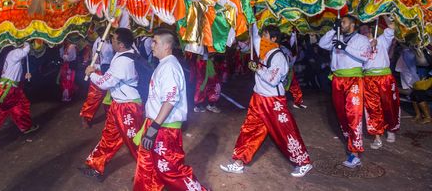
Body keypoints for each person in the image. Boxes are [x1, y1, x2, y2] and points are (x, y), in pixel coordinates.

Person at [220, 24, 312, 177]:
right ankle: (239, 162)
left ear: (274, 39)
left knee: (286, 132)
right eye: (262, 35)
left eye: (266, 35)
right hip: (258, 98)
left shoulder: (279, 56)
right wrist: (252, 21)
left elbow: (273, 79)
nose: (262, 38)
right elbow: (254, 37)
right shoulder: (266, 52)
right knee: (249, 130)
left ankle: (304, 162)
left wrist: (257, 68)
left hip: (273, 101)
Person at [133, 28, 206, 191]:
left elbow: (170, 100)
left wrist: (153, 128)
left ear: (167, 46)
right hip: (156, 124)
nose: (152, 45)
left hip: (163, 128)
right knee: (147, 164)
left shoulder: (169, 67)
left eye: (155, 42)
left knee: (170, 169)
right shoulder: (164, 64)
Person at [79, 28, 144, 180]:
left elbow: (104, 82)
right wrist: (98, 68)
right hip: (119, 105)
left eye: (113, 39)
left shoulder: (123, 61)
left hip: (128, 107)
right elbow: (111, 72)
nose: (110, 41)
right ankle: (96, 166)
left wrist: (91, 73)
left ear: (121, 44)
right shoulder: (123, 55)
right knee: (108, 137)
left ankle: (151, 173)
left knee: (135, 143)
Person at [319, 15, 370, 168]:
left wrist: (345, 47)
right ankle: (351, 141)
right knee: (341, 115)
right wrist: (333, 30)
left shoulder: (361, 39)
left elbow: (365, 57)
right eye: (340, 22)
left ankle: (355, 154)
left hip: (353, 79)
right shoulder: (337, 36)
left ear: (353, 24)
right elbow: (322, 44)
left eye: (344, 22)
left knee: (354, 115)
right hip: (337, 80)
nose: (341, 24)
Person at [0, 43, 38, 141]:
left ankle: (26, 126)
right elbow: (25, 51)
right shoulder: (14, 53)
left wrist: (24, 77)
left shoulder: (14, 54)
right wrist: (27, 41)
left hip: (14, 88)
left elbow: (15, 73)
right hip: (8, 89)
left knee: (21, 107)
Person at [363, 16, 400, 149]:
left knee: (389, 105)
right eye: (361, 29)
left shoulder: (382, 40)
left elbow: (392, 27)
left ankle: (391, 129)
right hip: (368, 79)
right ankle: (377, 136)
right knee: (372, 108)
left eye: (366, 29)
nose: (364, 32)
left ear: (372, 29)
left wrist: (382, 13)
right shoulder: (357, 45)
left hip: (385, 78)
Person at [80, 28, 114, 128]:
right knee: (94, 97)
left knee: (111, 98)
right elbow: (97, 59)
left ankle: (111, 119)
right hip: (100, 71)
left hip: (111, 72)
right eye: (101, 31)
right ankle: (86, 117)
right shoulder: (99, 41)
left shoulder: (111, 41)